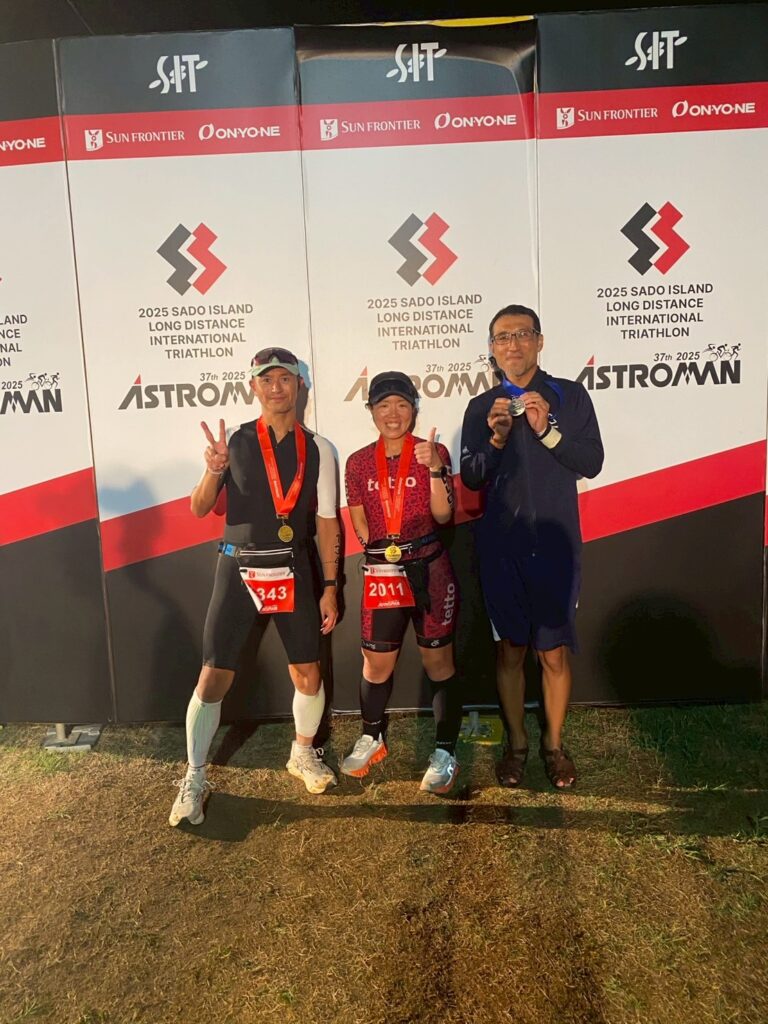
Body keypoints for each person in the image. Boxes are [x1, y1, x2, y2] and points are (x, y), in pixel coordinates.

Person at [169, 347, 341, 827]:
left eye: (285, 378)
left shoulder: (320, 448)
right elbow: (199, 508)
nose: (276, 387)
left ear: (299, 385)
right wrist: (214, 469)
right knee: (212, 678)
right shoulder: (234, 442)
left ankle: (302, 753)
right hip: (238, 567)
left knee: (307, 673)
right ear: (254, 387)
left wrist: (330, 585)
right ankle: (195, 775)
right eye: (267, 379)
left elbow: (327, 521)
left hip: (293, 567)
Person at [460, 305, 603, 789]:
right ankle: (518, 745)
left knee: (554, 653)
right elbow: (472, 476)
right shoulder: (482, 407)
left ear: (539, 341)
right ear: (492, 350)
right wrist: (497, 440)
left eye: (522, 334)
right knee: (511, 651)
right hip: (503, 548)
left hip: (556, 545)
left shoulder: (569, 395)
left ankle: (554, 746)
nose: (513, 344)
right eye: (502, 338)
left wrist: (547, 430)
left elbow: (592, 461)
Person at [341, 370, 463, 795]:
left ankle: (445, 751)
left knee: (438, 663)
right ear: (372, 410)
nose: (393, 414)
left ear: (413, 409)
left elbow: (444, 515)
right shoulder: (358, 462)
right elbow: (358, 516)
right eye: (383, 405)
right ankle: (372, 736)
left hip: (430, 568)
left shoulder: (433, 452)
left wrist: (435, 470)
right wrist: (378, 551)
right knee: (375, 663)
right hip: (383, 574)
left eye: (402, 404)